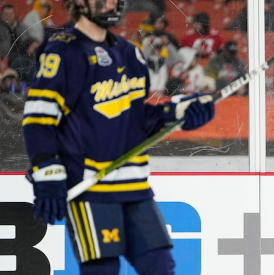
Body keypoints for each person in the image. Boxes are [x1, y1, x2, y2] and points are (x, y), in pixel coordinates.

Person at [22, 1, 214, 275]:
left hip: (135, 188)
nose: (111, 2)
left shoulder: (129, 53)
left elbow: (134, 120)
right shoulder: (62, 52)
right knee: (103, 270)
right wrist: (47, 172)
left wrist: (179, 111)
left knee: (160, 267)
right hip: (91, 189)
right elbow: (38, 119)